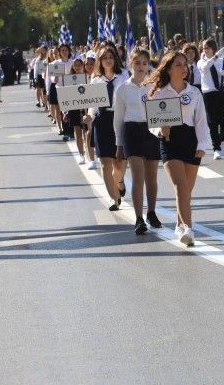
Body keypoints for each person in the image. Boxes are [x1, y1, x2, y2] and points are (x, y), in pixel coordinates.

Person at [148, 51, 211, 246]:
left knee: (186, 191)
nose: (184, 68)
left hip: (190, 140)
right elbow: (152, 123)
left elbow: (201, 121)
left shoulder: (194, 92)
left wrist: (202, 145)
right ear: (168, 69)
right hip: (169, 141)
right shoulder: (158, 93)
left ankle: (179, 224)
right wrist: (160, 130)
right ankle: (189, 230)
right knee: (180, 186)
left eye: (185, 64)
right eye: (178, 65)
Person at [113, 49, 163, 234]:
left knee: (152, 177)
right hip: (131, 131)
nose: (141, 67)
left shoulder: (154, 86)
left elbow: (162, 109)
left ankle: (151, 212)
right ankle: (139, 218)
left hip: (151, 130)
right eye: (137, 63)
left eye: (144, 63)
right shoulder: (123, 88)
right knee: (137, 176)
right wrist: (119, 143)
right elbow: (118, 118)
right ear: (130, 64)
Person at [83, 44, 128, 211]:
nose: (108, 61)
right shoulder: (95, 79)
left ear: (114, 59)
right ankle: (114, 198)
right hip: (102, 121)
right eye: (104, 58)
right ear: (100, 61)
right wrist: (89, 116)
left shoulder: (124, 75)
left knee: (120, 161)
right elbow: (92, 105)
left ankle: (120, 181)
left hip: (120, 119)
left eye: (110, 57)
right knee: (105, 162)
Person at [196, 39, 224, 160]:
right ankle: (216, 148)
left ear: (213, 48)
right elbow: (206, 67)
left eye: (208, 48)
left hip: (220, 92)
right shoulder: (201, 62)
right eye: (204, 48)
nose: (205, 50)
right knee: (212, 122)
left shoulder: (221, 61)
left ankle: (222, 139)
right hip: (209, 94)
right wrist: (216, 56)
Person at [63, 57, 89, 165]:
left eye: (79, 65)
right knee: (77, 132)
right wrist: (65, 112)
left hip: (86, 108)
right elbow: (66, 96)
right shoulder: (69, 79)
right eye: (76, 65)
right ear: (73, 67)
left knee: (87, 132)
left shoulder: (87, 77)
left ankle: (89, 153)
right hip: (74, 108)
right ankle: (81, 155)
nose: (78, 67)